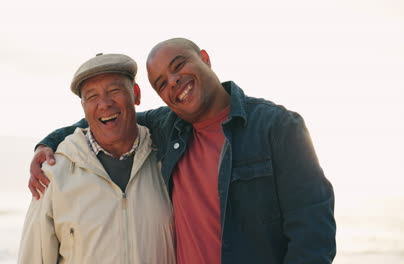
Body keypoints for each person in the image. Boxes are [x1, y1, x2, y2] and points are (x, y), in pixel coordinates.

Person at [30, 38, 336, 264]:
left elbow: (313, 233)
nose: (174, 82)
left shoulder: (276, 127)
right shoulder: (167, 127)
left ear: (205, 58)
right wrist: (46, 144)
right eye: (162, 83)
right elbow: (106, 119)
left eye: (179, 66)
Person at [18, 53, 175, 264]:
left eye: (114, 91)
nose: (104, 103)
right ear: (83, 106)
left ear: (136, 94)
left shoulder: (167, 160)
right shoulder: (54, 174)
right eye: (92, 96)